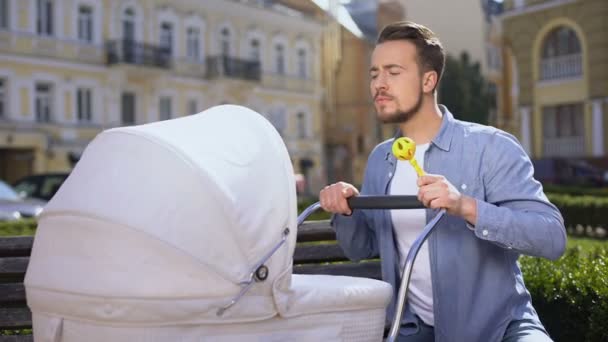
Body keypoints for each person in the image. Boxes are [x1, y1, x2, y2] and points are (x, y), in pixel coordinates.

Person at [319, 21, 566, 342]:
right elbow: (359, 249)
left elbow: (552, 237)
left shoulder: (491, 147)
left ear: (428, 80)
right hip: (414, 330)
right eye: (374, 73)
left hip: (499, 329)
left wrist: (466, 206)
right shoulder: (381, 159)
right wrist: (346, 208)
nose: (379, 83)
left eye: (393, 72)